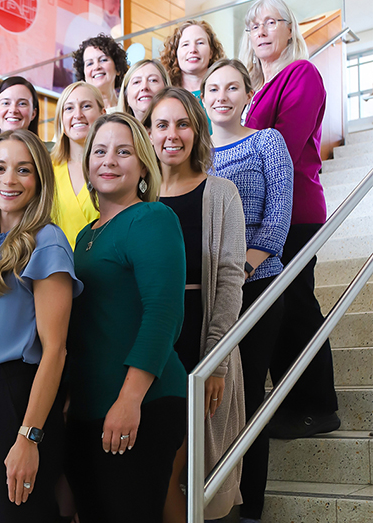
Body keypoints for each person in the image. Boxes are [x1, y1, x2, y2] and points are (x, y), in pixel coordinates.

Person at [0, 129, 81, 523]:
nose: (8, 180)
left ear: (40, 181)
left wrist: (29, 436)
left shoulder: (47, 241)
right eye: (0, 167)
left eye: (23, 170)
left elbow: (55, 351)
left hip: (21, 402)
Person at [66, 112, 187, 522]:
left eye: (123, 152)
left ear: (142, 166)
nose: (109, 160)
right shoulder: (85, 235)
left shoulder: (152, 218)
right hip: (88, 406)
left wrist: (129, 399)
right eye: (99, 151)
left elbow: (163, 314)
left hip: (142, 402)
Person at [144, 88, 246, 522]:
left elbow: (228, 279)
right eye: (161, 124)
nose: (172, 134)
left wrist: (216, 363)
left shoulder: (221, 193)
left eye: (182, 123)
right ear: (147, 133)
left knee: (198, 469)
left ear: (198, 130)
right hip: (151, 344)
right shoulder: (136, 197)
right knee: (157, 466)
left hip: (203, 341)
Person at [240, 0, 339, 439]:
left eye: (270, 22)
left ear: (289, 29)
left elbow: (282, 143)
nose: (260, 30)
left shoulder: (302, 74)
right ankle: (287, 401)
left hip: (295, 211)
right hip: (259, 218)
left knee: (297, 304)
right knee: (274, 309)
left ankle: (319, 405)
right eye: (253, 25)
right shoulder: (252, 91)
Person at [203, 58, 293, 523]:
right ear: (202, 97)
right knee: (209, 401)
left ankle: (250, 507)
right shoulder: (195, 153)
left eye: (232, 87)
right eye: (213, 88)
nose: (222, 95)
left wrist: (234, 278)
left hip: (256, 288)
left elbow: (276, 224)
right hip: (206, 295)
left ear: (248, 94)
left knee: (248, 396)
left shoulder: (267, 142)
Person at [50, 81, 104, 248]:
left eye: (86, 106)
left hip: (105, 268)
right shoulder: (45, 168)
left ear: (103, 113)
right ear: (61, 118)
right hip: (55, 268)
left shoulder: (116, 167)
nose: (78, 114)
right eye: (69, 108)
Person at [160, 20, 225, 98]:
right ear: (175, 53)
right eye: (185, 44)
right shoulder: (164, 96)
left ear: (211, 52)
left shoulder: (224, 93)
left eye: (200, 43)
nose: (193, 50)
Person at [72, 34, 128, 111]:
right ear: (84, 75)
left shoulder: (131, 109)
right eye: (90, 63)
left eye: (103, 60)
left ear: (117, 68)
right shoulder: (80, 115)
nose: (96, 67)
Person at [0, 76, 40, 142]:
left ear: (33, 113)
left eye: (22, 104)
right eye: (6, 103)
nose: (13, 110)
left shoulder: (45, 152)